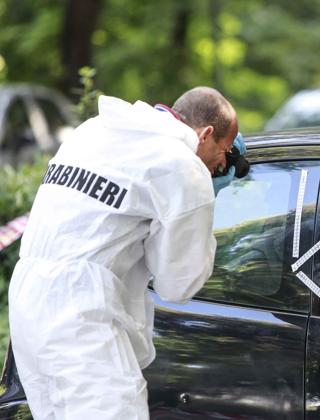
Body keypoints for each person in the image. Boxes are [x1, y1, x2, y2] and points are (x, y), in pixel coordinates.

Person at [8, 86, 244, 419]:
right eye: (224, 151)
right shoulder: (184, 168)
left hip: (28, 299)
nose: (221, 164)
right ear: (205, 134)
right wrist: (201, 203)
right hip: (81, 314)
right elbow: (177, 285)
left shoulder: (94, 130)